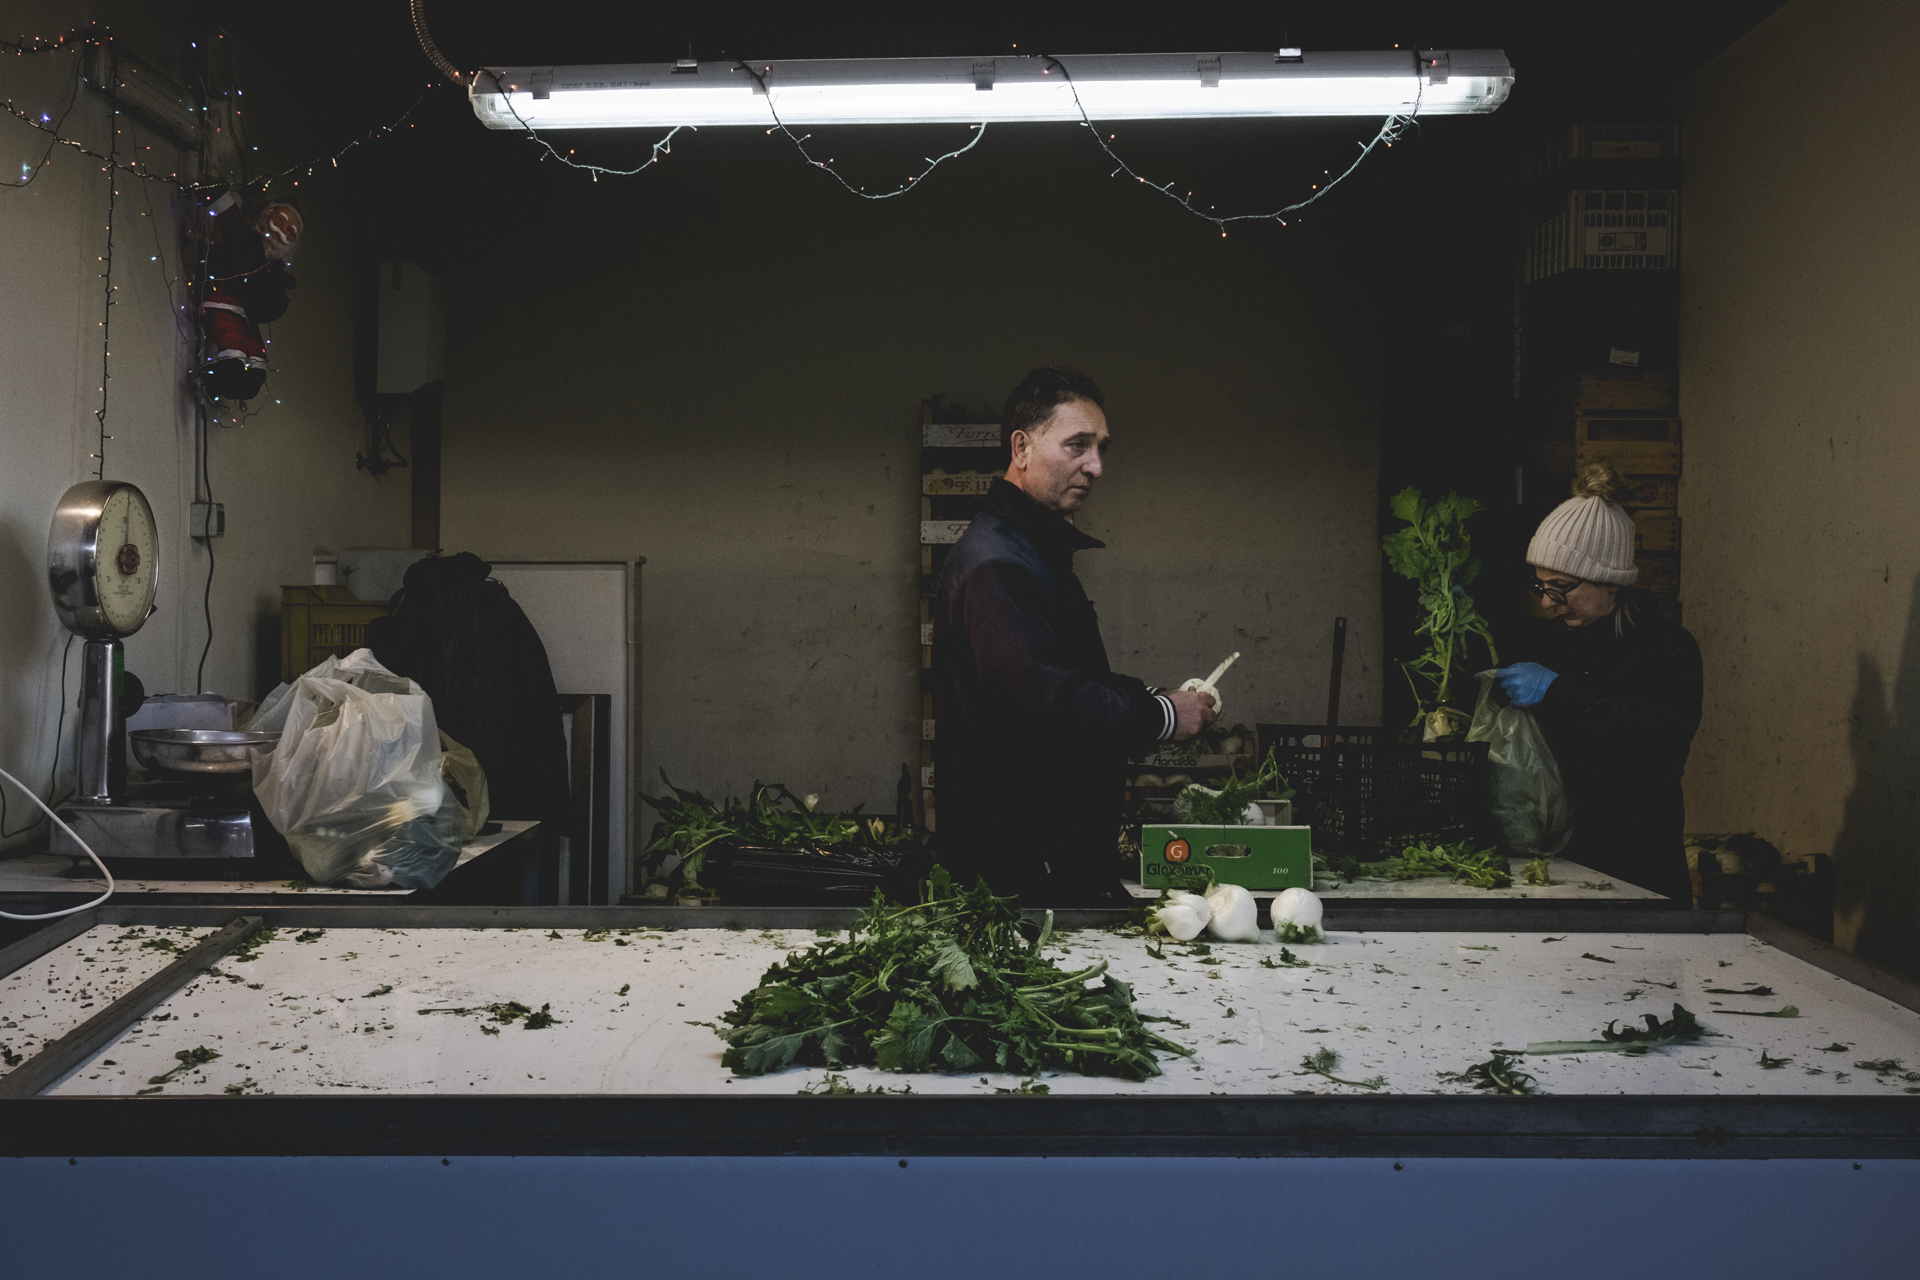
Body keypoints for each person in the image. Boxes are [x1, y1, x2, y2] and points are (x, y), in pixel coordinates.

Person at [933, 367, 1218, 904]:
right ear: (1022, 447)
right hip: (1022, 872)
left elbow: (1063, 675)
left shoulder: (1033, 550)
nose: (1096, 466)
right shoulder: (998, 564)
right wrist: (1162, 716)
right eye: (1077, 446)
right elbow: (1049, 704)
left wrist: (1148, 698)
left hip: (1049, 859)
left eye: (1101, 448)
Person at [1494, 464, 1702, 900]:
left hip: (1637, 866)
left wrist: (1558, 692)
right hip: (1556, 864)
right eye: (1541, 585)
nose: (1549, 602)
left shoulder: (1665, 648)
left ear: (1608, 580)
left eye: (1561, 587)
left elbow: (1658, 737)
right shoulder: (1553, 642)